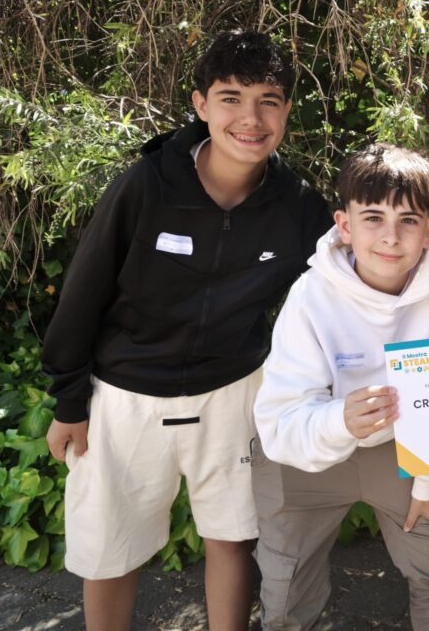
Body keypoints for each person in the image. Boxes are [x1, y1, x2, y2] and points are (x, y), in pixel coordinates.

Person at [42, 31, 334, 630]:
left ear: (286, 110)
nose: (250, 118)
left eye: (268, 100)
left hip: (234, 391)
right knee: (110, 550)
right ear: (201, 104)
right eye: (231, 98)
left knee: (233, 537)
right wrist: (69, 400)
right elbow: (82, 293)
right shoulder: (147, 184)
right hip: (124, 394)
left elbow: (356, 268)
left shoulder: (298, 203)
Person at [251, 143, 429, 630]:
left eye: (408, 221)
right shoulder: (310, 294)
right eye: (373, 218)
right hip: (305, 451)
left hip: (403, 451)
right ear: (345, 225)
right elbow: (280, 418)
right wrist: (340, 420)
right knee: (286, 589)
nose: (391, 237)